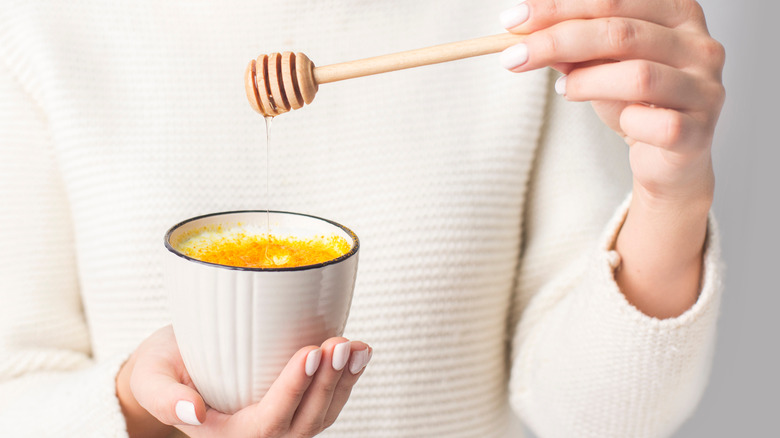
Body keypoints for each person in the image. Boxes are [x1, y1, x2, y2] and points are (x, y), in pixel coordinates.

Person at [0, 0, 725, 437]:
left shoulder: (522, 28)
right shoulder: (41, 27)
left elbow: (605, 420)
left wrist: (673, 192)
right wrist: (140, 405)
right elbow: (15, 393)